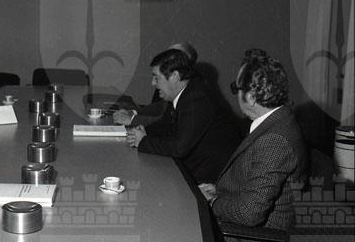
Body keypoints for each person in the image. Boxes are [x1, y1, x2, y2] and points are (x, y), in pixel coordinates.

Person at [199, 53, 306, 231]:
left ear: (250, 97)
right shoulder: (279, 121)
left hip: (251, 237)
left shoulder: (274, 141)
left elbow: (249, 213)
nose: (236, 94)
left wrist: (213, 201)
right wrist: (219, 190)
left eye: (236, 88)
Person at [126, 49, 240, 184]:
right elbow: (165, 123)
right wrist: (143, 132)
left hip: (209, 177)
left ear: (175, 76)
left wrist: (143, 141)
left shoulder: (196, 99)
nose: (153, 83)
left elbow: (180, 148)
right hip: (196, 166)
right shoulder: (184, 93)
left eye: (156, 78)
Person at [114, 42, 198, 127]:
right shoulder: (171, 88)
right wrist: (133, 112)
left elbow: (167, 124)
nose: (153, 83)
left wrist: (132, 119)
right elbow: (161, 106)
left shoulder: (194, 98)